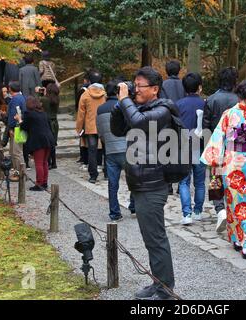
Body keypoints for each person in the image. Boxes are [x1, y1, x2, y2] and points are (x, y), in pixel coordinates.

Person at [111, 66, 177, 300]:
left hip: (153, 183)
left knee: (156, 239)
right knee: (150, 239)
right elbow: (117, 129)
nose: (135, 89)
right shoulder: (139, 107)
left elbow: (139, 123)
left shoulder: (163, 110)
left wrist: (125, 101)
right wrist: (121, 104)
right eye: (134, 85)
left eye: (140, 86)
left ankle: (165, 289)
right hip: (140, 183)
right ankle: (158, 283)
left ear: (155, 89)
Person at [201, 80, 246, 259]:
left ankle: (236, 238)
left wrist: (214, 161)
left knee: (233, 201)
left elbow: (218, 138)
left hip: (231, 162)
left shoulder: (229, 114)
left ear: (238, 95)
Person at [202, 66, 239, 233]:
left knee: (215, 178)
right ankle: (234, 209)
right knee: (234, 178)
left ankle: (220, 209)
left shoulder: (211, 100)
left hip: (216, 144)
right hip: (236, 147)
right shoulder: (239, 100)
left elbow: (205, 126)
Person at [97, 79, 135, 221]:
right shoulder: (124, 106)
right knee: (133, 179)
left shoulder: (100, 109)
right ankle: (133, 207)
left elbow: (100, 132)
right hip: (126, 148)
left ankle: (114, 213)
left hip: (110, 150)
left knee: (113, 184)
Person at [176, 73, 206, 225]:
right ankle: (198, 212)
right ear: (199, 87)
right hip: (200, 146)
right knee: (200, 183)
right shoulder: (204, 104)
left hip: (184, 147)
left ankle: (186, 214)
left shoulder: (178, 104)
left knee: (184, 182)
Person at [14, 96, 55, 191]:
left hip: (39, 141)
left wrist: (19, 119)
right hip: (49, 139)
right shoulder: (43, 113)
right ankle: (44, 182)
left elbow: (24, 127)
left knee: (39, 163)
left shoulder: (29, 114)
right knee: (44, 162)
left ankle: (39, 184)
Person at [75, 70, 106, 184]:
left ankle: (93, 176)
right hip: (103, 126)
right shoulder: (105, 94)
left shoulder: (85, 94)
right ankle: (107, 173)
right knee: (106, 150)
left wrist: (79, 128)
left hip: (90, 126)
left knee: (91, 151)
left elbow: (81, 114)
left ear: (90, 81)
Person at [160, 60, 185, 195]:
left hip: (167, 121)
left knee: (166, 153)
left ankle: (168, 184)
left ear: (166, 70)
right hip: (182, 121)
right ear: (179, 70)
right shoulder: (184, 85)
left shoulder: (163, 85)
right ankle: (181, 185)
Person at [6, 81, 27, 181]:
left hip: (17, 128)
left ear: (10, 89)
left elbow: (13, 115)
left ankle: (20, 173)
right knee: (18, 151)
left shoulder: (15, 100)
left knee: (16, 152)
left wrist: (10, 128)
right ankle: (18, 172)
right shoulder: (23, 97)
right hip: (22, 127)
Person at [40, 83, 60, 170]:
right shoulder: (57, 99)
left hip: (46, 123)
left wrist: (40, 93)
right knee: (53, 143)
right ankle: (54, 162)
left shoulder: (44, 99)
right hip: (55, 122)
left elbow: (38, 103)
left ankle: (49, 162)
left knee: (47, 143)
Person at [75, 72, 91, 167]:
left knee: (83, 140)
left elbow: (78, 105)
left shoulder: (83, 90)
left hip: (84, 117)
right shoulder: (99, 90)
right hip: (93, 118)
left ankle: (84, 159)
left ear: (85, 80)